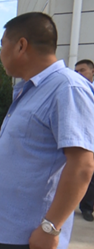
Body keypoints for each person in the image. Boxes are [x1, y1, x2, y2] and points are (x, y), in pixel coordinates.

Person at [0, 12, 94, 249]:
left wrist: (51, 227)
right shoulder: (30, 90)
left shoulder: (67, 88)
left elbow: (82, 165)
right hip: (5, 229)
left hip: (31, 237)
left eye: (2, 45)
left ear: (21, 45)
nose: (0, 54)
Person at [74, 59, 94, 222]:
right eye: (76, 71)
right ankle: (84, 208)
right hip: (81, 140)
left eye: (82, 70)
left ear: (92, 72)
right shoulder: (74, 91)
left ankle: (88, 207)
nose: (79, 74)